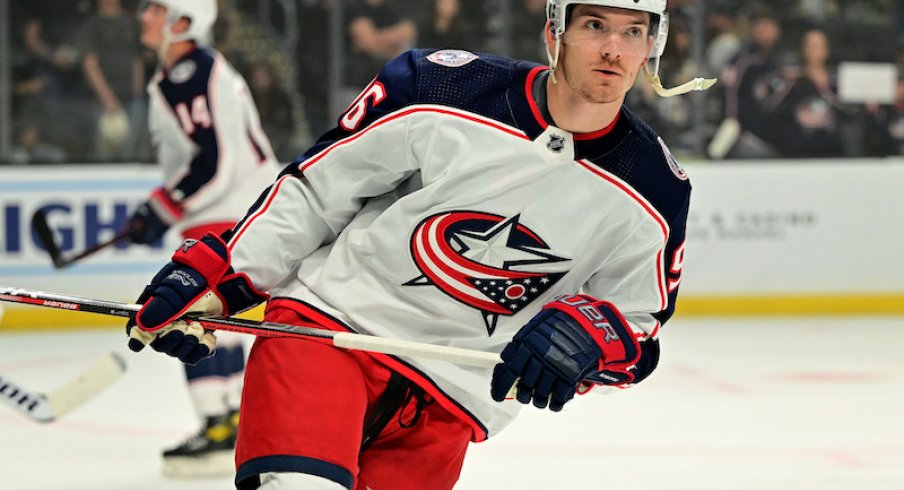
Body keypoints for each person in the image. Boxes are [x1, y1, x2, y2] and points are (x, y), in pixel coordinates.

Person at [125, 1, 707, 488]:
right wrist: (225, 277)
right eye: (595, 26)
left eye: (634, 32)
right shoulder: (442, 87)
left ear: (651, 47)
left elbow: (637, 324)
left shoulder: (656, 188)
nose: (613, 49)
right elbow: (317, 192)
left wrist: (594, 337)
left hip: (449, 401)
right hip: (329, 333)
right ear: (554, 32)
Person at [124, 0, 280, 478]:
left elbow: (214, 162)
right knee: (214, 317)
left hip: (225, 210)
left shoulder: (189, 73)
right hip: (240, 206)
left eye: (155, 9)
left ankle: (217, 423)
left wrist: (164, 205)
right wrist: (162, 204)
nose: (143, 16)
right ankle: (229, 419)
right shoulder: (194, 70)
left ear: (182, 21)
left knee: (183, 309)